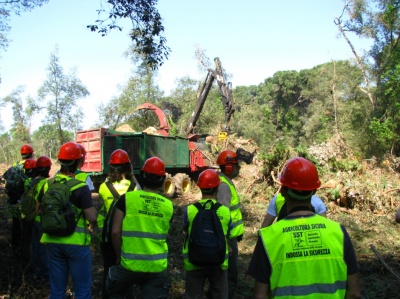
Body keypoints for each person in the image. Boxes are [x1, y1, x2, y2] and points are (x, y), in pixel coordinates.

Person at [247, 157, 361, 299]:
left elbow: (260, 295)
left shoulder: (268, 237)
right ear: (314, 191)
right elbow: (354, 293)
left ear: (282, 190)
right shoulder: (338, 232)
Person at [107, 157, 173, 299]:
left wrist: (119, 256)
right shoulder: (168, 205)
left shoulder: (127, 199)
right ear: (162, 179)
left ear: (142, 175)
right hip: (156, 268)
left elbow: (115, 232)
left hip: (128, 265)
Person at [40, 142, 98, 299]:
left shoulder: (47, 184)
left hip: (52, 241)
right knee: (82, 290)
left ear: (60, 161)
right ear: (79, 162)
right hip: (76, 244)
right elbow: (91, 216)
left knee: (57, 290)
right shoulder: (80, 187)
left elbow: (40, 209)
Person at [183, 169, 232, 299]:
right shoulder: (225, 212)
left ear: (199, 187)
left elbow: (185, 229)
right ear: (217, 187)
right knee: (219, 294)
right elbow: (228, 231)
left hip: (194, 260)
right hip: (219, 262)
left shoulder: (190, 210)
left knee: (193, 295)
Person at [98, 149, 138, 299]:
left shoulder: (103, 187)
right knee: (126, 273)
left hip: (107, 236)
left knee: (108, 269)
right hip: (126, 237)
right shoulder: (134, 188)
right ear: (128, 167)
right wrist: (132, 174)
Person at [216, 149, 245, 299]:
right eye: (236, 165)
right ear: (228, 167)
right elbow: (223, 216)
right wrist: (226, 241)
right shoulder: (224, 186)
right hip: (227, 239)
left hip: (231, 237)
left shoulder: (226, 182)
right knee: (229, 276)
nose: (238, 168)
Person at [3, 144, 34, 256]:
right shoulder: (29, 166)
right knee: (26, 225)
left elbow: (6, 178)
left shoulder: (14, 165)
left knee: (16, 223)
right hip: (24, 202)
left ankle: (15, 245)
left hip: (13, 201)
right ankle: (24, 250)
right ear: (31, 154)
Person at [31, 155, 52, 282]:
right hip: (41, 219)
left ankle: (36, 272)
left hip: (33, 218)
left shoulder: (32, 181)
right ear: (47, 168)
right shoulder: (45, 183)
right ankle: (45, 275)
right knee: (44, 248)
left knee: (35, 246)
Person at [260, 192, 327, 228]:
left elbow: (264, 229)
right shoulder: (318, 203)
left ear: (283, 190)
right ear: (314, 190)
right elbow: (324, 229)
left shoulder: (277, 199)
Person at [20, 158, 37, 261]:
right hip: (33, 214)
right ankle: (31, 259)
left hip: (24, 212)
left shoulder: (25, 181)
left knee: (25, 235)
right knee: (32, 237)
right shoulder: (36, 182)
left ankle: (25, 256)